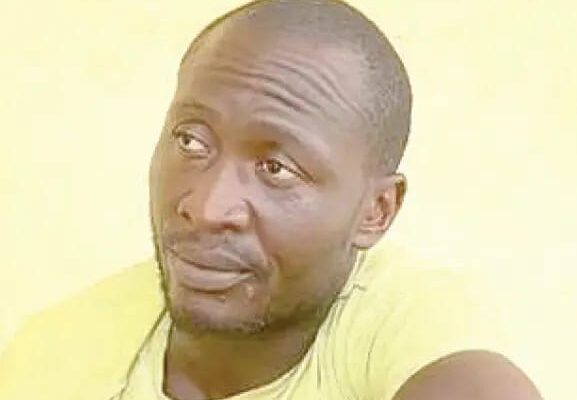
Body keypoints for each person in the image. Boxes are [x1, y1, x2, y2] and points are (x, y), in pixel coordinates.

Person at [0, 1, 543, 399]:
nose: (206, 208)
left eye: (276, 169)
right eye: (191, 141)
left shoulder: (407, 320)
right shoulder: (55, 351)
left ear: (375, 211)